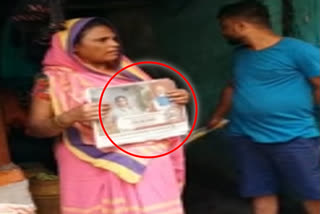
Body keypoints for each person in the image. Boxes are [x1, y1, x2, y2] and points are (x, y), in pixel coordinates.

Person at [27, 17, 189, 214]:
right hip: (86, 159)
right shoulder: (50, 81)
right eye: (101, 40)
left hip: (148, 157)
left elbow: (152, 110)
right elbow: (35, 128)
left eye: (114, 39)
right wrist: (70, 116)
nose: (113, 44)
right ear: (73, 47)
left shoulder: (129, 73)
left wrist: (173, 101)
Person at [208, 1, 320, 214]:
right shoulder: (241, 55)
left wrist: (298, 111)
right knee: (260, 192)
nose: (224, 33)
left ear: (240, 26)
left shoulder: (298, 50)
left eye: (225, 26)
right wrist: (217, 116)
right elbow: (233, 87)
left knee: (313, 194)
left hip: (293, 136)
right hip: (246, 136)